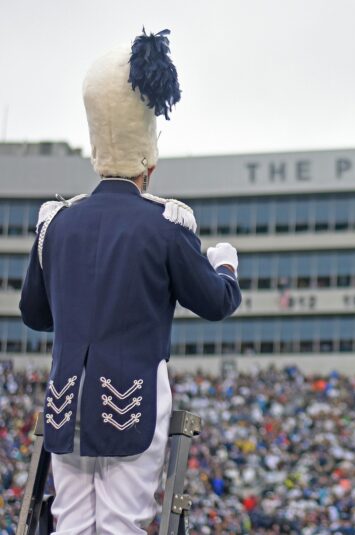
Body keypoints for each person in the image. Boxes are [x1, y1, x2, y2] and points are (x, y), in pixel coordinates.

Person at [18, 29, 242, 534]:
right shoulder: (165, 223)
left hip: (66, 398)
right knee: (122, 524)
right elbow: (214, 302)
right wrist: (225, 264)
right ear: (149, 154)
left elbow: (34, 315)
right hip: (131, 399)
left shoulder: (55, 221)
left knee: (71, 525)